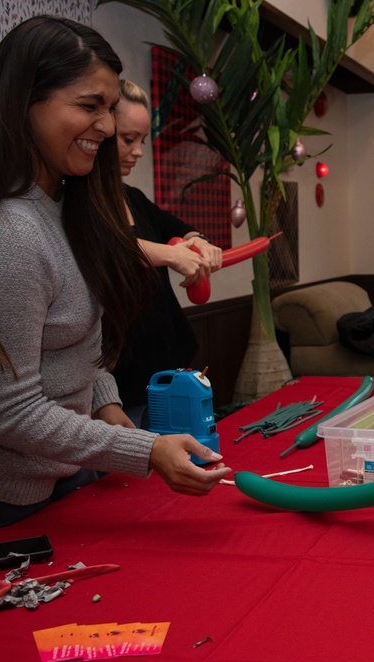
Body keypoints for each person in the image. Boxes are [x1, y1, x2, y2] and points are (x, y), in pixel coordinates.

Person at [0, 16, 231, 538]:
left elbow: (71, 345)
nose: (109, 128)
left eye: (109, 109)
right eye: (90, 106)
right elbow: (10, 413)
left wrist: (105, 402)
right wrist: (148, 449)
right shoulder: (8, 231)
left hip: (34, 475)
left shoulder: (66, 203)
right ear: (24, 104)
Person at [111, 79, 222, 428]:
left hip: (169, 366)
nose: (138, 151)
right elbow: (105, 247)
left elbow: (182, 228)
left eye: (141, 141)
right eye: (128, 139)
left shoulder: (135, 198)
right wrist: (171, 255)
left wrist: (199, 242)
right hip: (121, 382)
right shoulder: (78, 206)